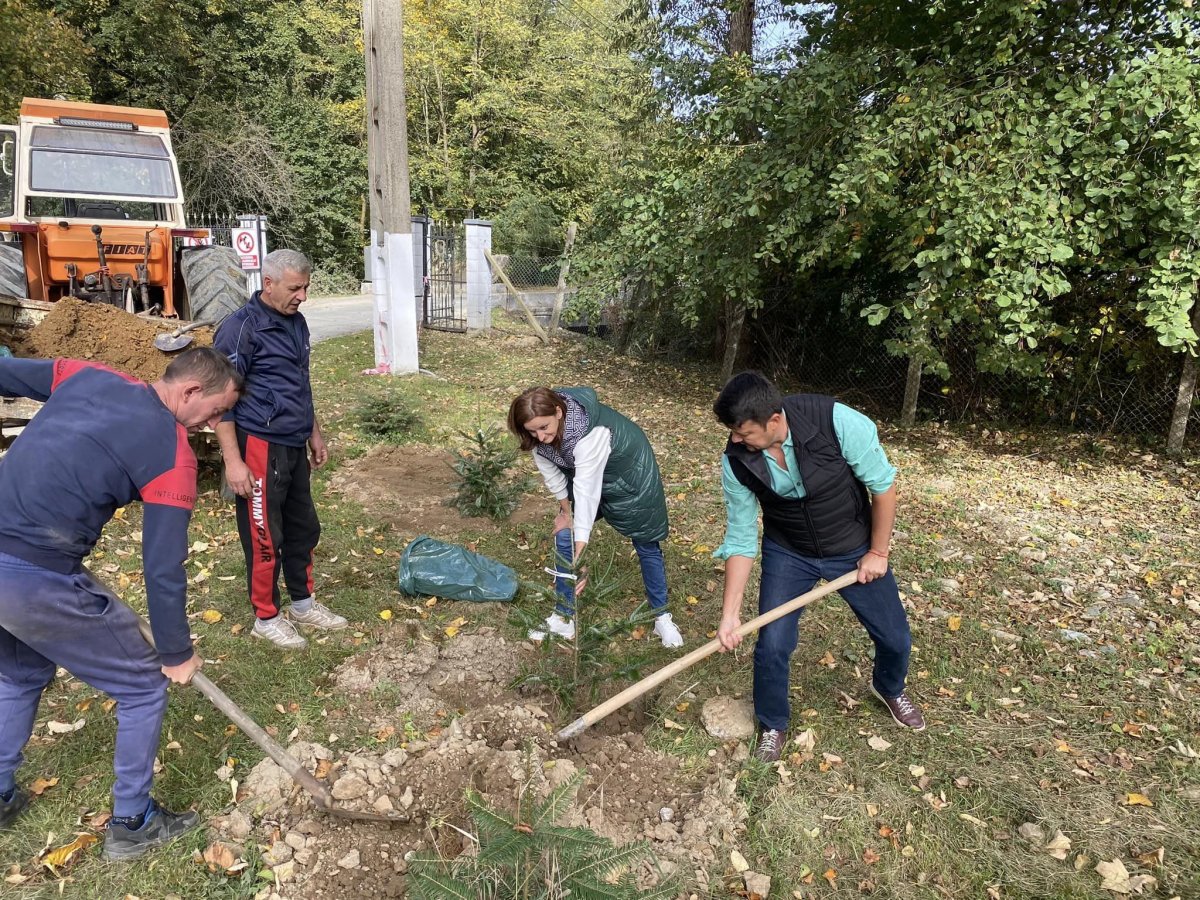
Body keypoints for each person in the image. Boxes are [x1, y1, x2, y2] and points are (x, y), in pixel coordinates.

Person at [0, 348, 242, 859]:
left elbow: (5, 370)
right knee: (142, 688)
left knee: (19, 675)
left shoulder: (89, 375)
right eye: (218, 410)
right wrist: (175, 653)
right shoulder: (173, 455)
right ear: (191, 391)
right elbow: (160, 567)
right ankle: (133, 822)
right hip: (31, 576)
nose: (216, 423)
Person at [712, 371, 924, 763]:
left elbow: (883, 485)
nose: (736, 440)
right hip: (788, 550)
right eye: (733, 432)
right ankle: (773, 723)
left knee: (895, 639)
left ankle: (889, 688)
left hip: (852, 545)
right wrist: (730, 615)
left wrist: (878, 553)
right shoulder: (737, 461)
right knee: (772, 646)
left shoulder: (837, 421)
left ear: (774, 420)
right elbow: (741, 539)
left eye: (744, 432)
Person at [213, 249, 347, 648]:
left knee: (303, 527)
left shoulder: (297, 323)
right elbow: (220, 401)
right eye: (295, 288)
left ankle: (303, 604)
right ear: (268, 283)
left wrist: (314, 431)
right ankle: (266, 616)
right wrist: (233, 462)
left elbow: (299, 382)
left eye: (306, 287)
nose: (302, 296)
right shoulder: (240, 329)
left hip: (293, 443)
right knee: (263, 534)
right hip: (258, 445)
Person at [508, 387, 684, 648]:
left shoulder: (591, 435)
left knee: (645, 542)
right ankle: (564, 616)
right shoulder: (538, 439)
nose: (541, 437)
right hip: (584, 475)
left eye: (544, 427)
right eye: (532, 431)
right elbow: (555, 479)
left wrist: (581, 556)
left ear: (558, 411)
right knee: (564, 532)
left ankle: (661, 617)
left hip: (629, 474)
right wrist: (566, 514)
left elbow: (587, 494)